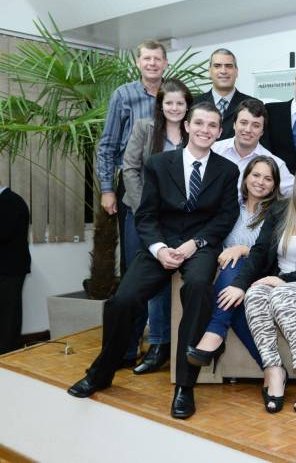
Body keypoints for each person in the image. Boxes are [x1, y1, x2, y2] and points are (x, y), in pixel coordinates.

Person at [68, 102, 240, 421]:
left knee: (199, 289)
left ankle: (185, 386)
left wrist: (194, 244)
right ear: (187, 126)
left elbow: (226, 217)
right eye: (199, 123)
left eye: (212, 125)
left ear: (219, 132)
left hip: (200, 245)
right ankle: (101, 372)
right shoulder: (159, 164)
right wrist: (160, 249)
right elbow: (145, 215)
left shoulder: (228, 171)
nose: (204, 130)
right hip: (160, 242)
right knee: (122, 300)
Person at [217, 153, 296, 413]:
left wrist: (283, 280)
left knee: (281, 295)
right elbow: (260, 251)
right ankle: (274, 371)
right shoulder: (279, 210)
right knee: (254, 294)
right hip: (279, 284)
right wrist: (240, 284)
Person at [121, 78, 192, 373]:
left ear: (187, 106)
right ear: (160, 105)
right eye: (169, 103)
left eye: (180, 103)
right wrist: (144, 209)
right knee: (135, 281)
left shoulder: (193, 132)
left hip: (174, 222)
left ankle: (159, 344)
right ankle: (127, 347)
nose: (174, 108)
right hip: (140, 215)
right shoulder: (144, 127)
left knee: (161, 281)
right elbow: (130, 168)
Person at [187, 155, 283, 371]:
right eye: (256, 175)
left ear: (274, 185)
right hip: (226, 275)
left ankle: (215, 332)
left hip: (261, 273)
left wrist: (242, 250)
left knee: (235, 263)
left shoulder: (278, 211)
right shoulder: (231, 207)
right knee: (236, 302)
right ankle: (274, 370)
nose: (260, 182)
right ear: (246, 177)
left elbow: (273, 250)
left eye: (268, 179)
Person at [96, 40, 168, 274]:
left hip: (169, 184)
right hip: (132, 181)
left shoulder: (174, 94)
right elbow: (107, 145)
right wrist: (107, 189)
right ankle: (132, 298)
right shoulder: (123, 95)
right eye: (147, 58)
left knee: (165, 249)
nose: (152, 63)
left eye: (157, 59)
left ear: (165, 63)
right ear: (138, 62)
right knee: (133, 252)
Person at [211, 98, 294, 197]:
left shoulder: (275, 164)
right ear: (234, 124)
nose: (248, 130)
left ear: (262, 131)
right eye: (243, 123)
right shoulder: (212, 150)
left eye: (256, 125)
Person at [0, 182, 31, 354]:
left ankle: (7, 354)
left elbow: (4, 234)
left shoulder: (10, 201)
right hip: (7, 268)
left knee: (9, 315)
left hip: (10, 268)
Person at [194, 48, 250, 141]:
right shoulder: (194, 104)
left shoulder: (251, 104)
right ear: (209, 71)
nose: (223, 71)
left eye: (229, 66)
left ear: (236, 71)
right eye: (217, 66)